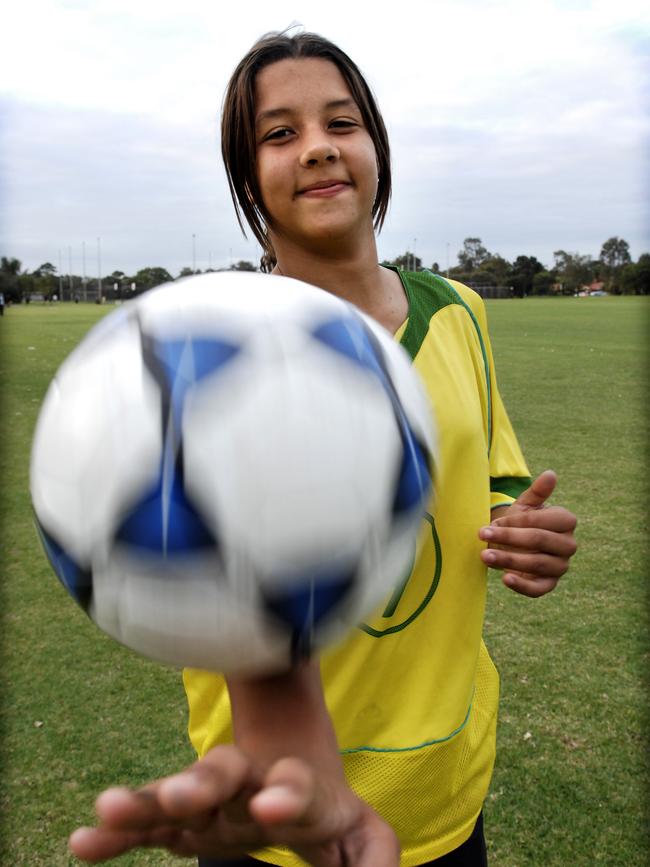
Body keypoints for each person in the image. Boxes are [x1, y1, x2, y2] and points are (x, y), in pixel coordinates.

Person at [69, 30, 577, 866]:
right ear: (247, 180)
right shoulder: (212, 349)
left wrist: (518, 532)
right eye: (279, 134)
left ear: (375, 146)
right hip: (281, 806)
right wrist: (293, 757)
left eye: (341, 122)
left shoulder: (459, 309)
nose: (316, 149)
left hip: (449, 791)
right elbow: (210, 574)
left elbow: (487, 482)